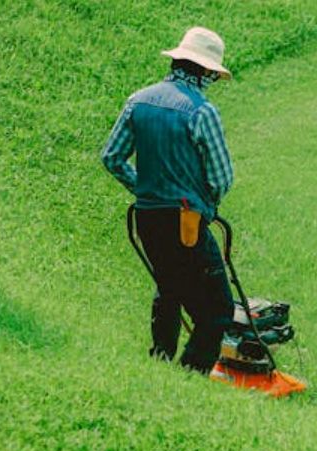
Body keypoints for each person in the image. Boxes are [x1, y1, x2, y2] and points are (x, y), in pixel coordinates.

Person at [101, 27, 235, 374]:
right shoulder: (202, 111)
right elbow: (222, 178)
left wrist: (144, 188)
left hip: (146, 217)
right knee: (218, 309)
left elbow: (112, 157)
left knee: (169, 286)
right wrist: (206, 202)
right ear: (205, 71)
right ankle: (190, 374)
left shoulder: (138, 101)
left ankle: (159, 361)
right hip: (186, 220)